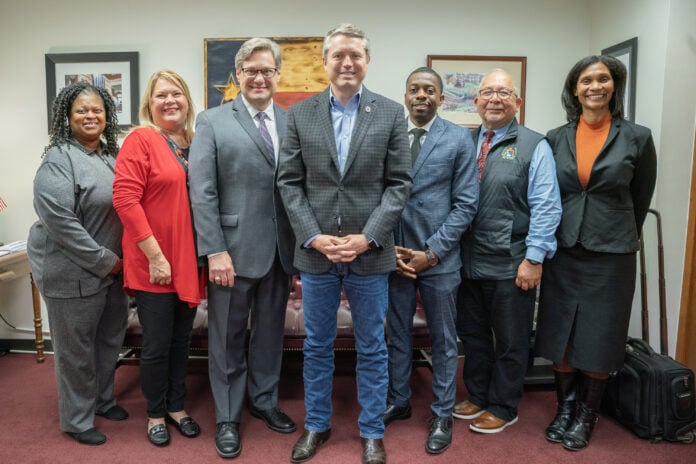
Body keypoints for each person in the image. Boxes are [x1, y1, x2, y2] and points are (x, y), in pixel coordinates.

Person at [277, 23, 412, 464]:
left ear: (367, 62)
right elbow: (290, 184)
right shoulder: (299, 114)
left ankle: (372, 430)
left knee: (372, 346)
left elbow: (398, 186)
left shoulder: (391, 114)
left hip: (370, 255)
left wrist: (368, 237)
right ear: (325, 62)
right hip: (316, 255)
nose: (347, 62)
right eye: (338, 55)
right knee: (317, 346)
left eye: (355, 55)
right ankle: (316, 425)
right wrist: (314, 236)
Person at [535, 55, 657, 451]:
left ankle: (587, 416)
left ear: (613, 86)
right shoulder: (555, 137)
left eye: (603, 79)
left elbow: (640, 199)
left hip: (612, 252)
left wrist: (616, 230)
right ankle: (564, 408)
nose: (594, 86)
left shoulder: (637, 136)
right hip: (564, 247)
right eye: (586, 80)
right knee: (561, 333)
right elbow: (547, 193)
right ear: (575, 89)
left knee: (601, 337)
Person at [188, 37, 297, 459]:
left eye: (266, 70)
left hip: (280, 251)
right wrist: (214, 250)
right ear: (237, 75)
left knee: (270, 335)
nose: (258, 77)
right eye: (250, 69)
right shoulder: (212, 121)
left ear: (277, 75)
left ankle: (265, 400)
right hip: (230, 254)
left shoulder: (292, 122)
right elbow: (202, 191)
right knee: (228, 338)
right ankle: (229, 415)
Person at [453, 69, 562, 434]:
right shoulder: (464, 141)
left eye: (504, 92)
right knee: (473, 336)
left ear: (517, 102)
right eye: (488, 92)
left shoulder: (535, 145)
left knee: (511, 340)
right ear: (476, 101)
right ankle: (479, 395)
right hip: (467, 261)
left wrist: (534, 259)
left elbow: (547, 206)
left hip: (511, 261)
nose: (495, 99)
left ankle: (504, 405)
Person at [382, 67, 478, 454]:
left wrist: (432, 252)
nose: (421, 95)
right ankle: (399, 399)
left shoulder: (458, 138)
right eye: (414, 89)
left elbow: (466, 203)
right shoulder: (389, 137)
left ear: (441, 98)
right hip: (396, 256)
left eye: (429, 90)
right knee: (397, 334)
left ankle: (441, 412)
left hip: (439, 258)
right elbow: (376, 196)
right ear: (405, 96)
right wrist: (389, 248)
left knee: (442, 340)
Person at [27, 82, 128, 446]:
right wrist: (108, 262)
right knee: (76, 352)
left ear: (107, 115)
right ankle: (76, 419)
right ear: (67, 118)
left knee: (108, 341)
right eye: (81, 110)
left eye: (97, 109)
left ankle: (102, 399)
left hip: (113, 272)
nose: (90, 116)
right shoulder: (58, 159)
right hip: (72, 272)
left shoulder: (108, 156)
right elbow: (61, 224)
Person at [112, 70, 202, 447]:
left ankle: (177, 406)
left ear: (187, 100)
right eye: (161, 95)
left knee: (182, 340)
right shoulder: (141, 139)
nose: (169, 101)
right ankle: (154, 413)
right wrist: (156, 256)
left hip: (187, 259)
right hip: (156, 262)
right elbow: (125, 200)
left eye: (176, 93)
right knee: (157, 343)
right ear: (149, 104)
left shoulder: (194, 141)